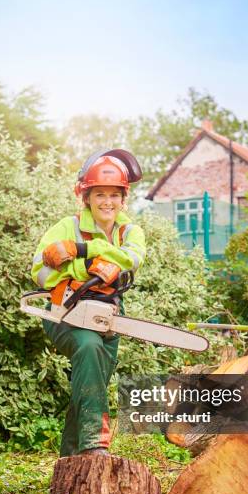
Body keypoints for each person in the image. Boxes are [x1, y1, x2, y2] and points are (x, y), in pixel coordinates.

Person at [31, 149, 146, 457]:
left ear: (123, 198)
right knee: (88, 348)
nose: (107, 202)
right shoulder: (65, 226)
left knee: (90, 381)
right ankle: (95, 443)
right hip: (64, 312)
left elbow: (131, 260)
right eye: (100, 195)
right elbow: (39, 270)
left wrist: (85, 248)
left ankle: (69, 463)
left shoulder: (130, 231)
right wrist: (80, 272)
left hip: (107, 315)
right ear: (87, 197)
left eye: (114, 195)